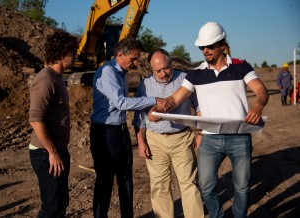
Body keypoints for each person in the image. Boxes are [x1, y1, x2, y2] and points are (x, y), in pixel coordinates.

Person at [150, 22, 269, 218]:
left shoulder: (241, 67)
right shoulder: (196, 74)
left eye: (210, 46)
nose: (205, 51)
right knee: (205, 186)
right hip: (210, 139)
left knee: (241, 186)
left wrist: (257, 106)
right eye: (201, 47)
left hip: (239, 138)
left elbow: (261, 90)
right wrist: (158, 110)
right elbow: (173, 100)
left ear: (222, 44)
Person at [89, 37, 172, 218]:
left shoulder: (121, 73)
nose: (135, 63)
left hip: (120, 131)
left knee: (126, 178)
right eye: (133, 59)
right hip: (105, 132)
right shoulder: (108, 72)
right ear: (120, 55)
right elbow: (121, 103)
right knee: (105, 181)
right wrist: (154, 100)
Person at [133, 48, 204, 218]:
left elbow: (199, 106)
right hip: (155, 141)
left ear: (171, 63)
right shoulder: (145, 85)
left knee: (189, 183)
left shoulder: (185, 79)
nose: (163, 73)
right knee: (159, 185)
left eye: (166, 68)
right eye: (158, 70)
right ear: (151, 69)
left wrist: (200, 132)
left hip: (182, 138)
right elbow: (139, 117)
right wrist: (141, 142)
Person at [28, 29, 78, 218]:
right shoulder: (45, 80)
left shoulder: (57, 78)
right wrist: (52, 152)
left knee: (60, 203)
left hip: (56, 150)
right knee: (51, 207)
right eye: (73, 51)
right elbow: (35, 119)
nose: (76, 55)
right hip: (45, 153)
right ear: (61, 53)